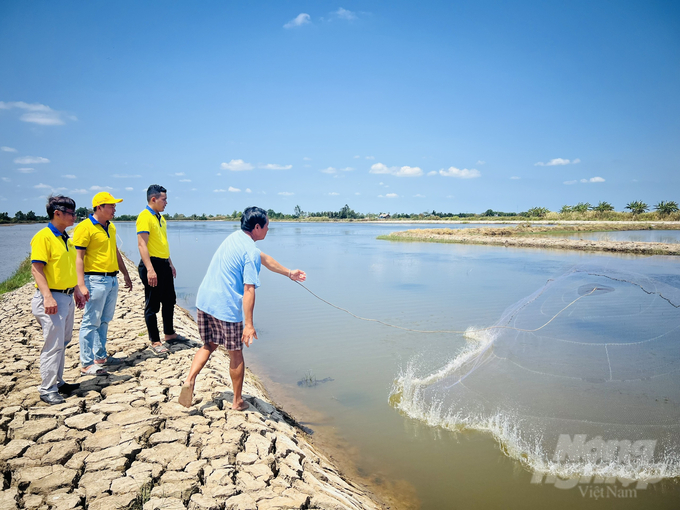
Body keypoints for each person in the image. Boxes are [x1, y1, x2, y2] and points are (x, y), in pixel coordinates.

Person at [179, 206, 306, 410]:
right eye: (266, 226)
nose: (267, 230)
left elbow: (264, 259)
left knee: (209, 344)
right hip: (225, 306)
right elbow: (249, 290)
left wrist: (289, 272)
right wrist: (248, 325)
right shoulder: (249, 251)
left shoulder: (236, 238)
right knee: (236, 353)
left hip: (205, 301)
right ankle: (237, 401)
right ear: (257, 227)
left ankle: (190, 380)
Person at [30, 195, 87, 405]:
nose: (74, 216)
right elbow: (37, 269)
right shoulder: (43, 237)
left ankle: (59, 381)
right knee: (53, 344)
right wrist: (47, 297)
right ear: (57, 213)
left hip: (66, 296)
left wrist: (76, 290)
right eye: (71, 213)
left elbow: (66, 268)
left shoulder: (65, 238)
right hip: (51, 298)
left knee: (63, 342)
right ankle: (47, 388)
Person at [73, 191, 133, 376]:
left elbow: (115, 252)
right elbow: (78, 258)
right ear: (99, 207)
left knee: (104, 320)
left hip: (112, 278)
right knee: (91, 321)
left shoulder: (111, 227)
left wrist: (125, 274)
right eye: (111, 206)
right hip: (95, 280)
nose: (115, 209)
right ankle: (86, 363)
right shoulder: (85, 227)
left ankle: (101, 356)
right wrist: (81, 284)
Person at [136, 184, 180, 354]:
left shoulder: (160, 218)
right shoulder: (144, 217)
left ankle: (169, 333)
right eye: (164, 199)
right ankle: (155, 341)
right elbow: (142, 245)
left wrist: (170, 263)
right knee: (152, 305)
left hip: (164, 264)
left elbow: (162, 243)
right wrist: (150, 269)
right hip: (151, 264)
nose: (166, 202)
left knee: (169, 300)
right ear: (153, 199)